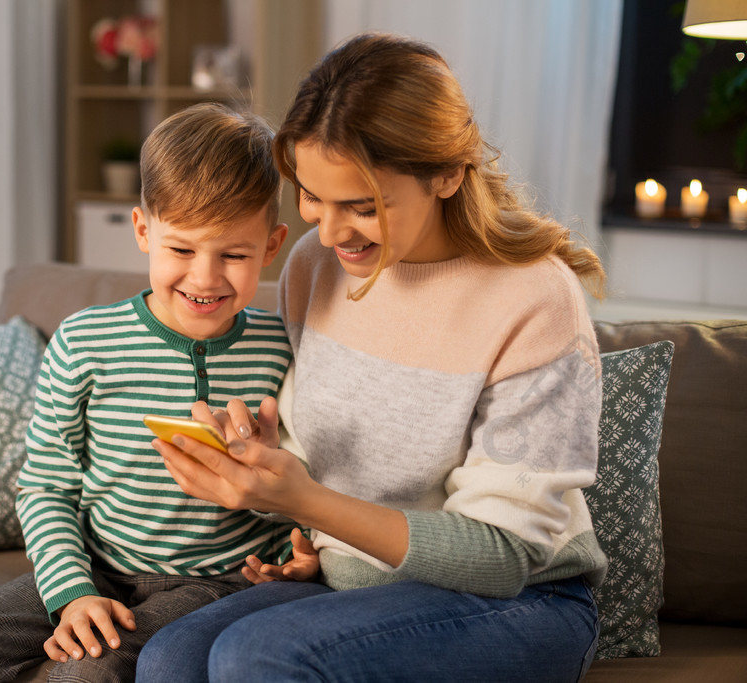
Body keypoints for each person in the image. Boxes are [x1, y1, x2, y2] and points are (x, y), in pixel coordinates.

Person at [136, 33, 609, 682]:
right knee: (170, 660)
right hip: (352, 580)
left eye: (363, 207)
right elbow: (323, 471)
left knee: (257, 657)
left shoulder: (533, 297)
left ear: (446, 173)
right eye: (311, 197)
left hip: (522, 601)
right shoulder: (315, 267)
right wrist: (269, 464)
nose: (328, 234)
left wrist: (305, 501)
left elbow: (505, 556)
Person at [0, 102, 294, 683]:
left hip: (215, 580)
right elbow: (46, 484)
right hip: (96, 564)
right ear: (143, 230)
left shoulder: (281, 348)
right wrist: (71, 592)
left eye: (233, 255)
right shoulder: (86, 341)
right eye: (182, 249)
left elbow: (303, 484)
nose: (206, 277)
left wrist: (291, 553)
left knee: (91, 670)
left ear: (271, 246)